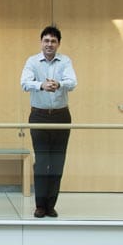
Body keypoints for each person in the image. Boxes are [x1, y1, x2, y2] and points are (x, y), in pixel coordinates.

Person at [20, 25, 77, 218]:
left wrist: (59, 83)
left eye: (53, 41)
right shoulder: (32, 61)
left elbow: (73, 82)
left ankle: (51, 205)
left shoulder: (65, 61)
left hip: (61, 115)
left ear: (58, 44)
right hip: (39, 115)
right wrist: (42, 85)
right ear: (41, 42)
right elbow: (24, 83)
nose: (49, 44)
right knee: (42, 161)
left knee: (57, 161)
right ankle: (40, 205)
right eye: (46, 41)